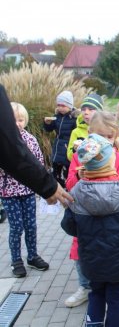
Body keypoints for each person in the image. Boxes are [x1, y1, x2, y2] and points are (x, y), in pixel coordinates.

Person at [61, 134, 119, 327]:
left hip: (91, 260)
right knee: (116, 299)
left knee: (95, 294)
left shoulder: (76, 193)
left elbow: (68, 226)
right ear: (109, 162)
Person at [64, 111, 119, 308]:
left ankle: (112, 284)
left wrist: (104, 174)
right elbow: (69, 185)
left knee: (112, 250)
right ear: (90, 134)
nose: (104, 141)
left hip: (112, 216)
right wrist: (80, 175)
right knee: (80, 250)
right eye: (100, 136)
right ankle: (85, 287)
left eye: (109, 137)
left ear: (115, 136)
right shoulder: (79, 158)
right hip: (85, 215)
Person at [0, 84, 72, 207]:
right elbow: (9, 147)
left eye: (20, 120)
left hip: (28, 188)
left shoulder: (30, 139)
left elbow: (38, 158)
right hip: (10, 190)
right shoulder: (56, 117)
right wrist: (47, 185)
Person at [0, 102, 50, 277]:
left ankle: (33, 256)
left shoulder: (30, 139)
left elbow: (38, 163)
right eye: (13, 120)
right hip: (9, 193)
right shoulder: (3, 141)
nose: (17, 124)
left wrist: (42, 186)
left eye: (20, 120)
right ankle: (16, 260)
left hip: (28, 191)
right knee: (16, 226)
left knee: (30, 225)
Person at [43, 90, 77, 188]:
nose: (60, 108)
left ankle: (68, 186)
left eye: (63, 106)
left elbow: (76, 132)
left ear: (69, 106)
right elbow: (49, 129)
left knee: (67, 168)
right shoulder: (56, 117)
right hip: (57, 146)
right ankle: (57, 187)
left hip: (68, 145)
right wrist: (47, 123)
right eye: (59, 105)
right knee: (56, 168)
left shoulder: (73, 118)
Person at [67, 93, 104, 161]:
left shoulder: (106, 130)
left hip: (104, 169)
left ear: (100, 112)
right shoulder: (76, 132)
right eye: (83, 109)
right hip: (83, 169)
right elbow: (70, 157)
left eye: (90, 109)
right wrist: (76, 149)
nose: (86, 112)